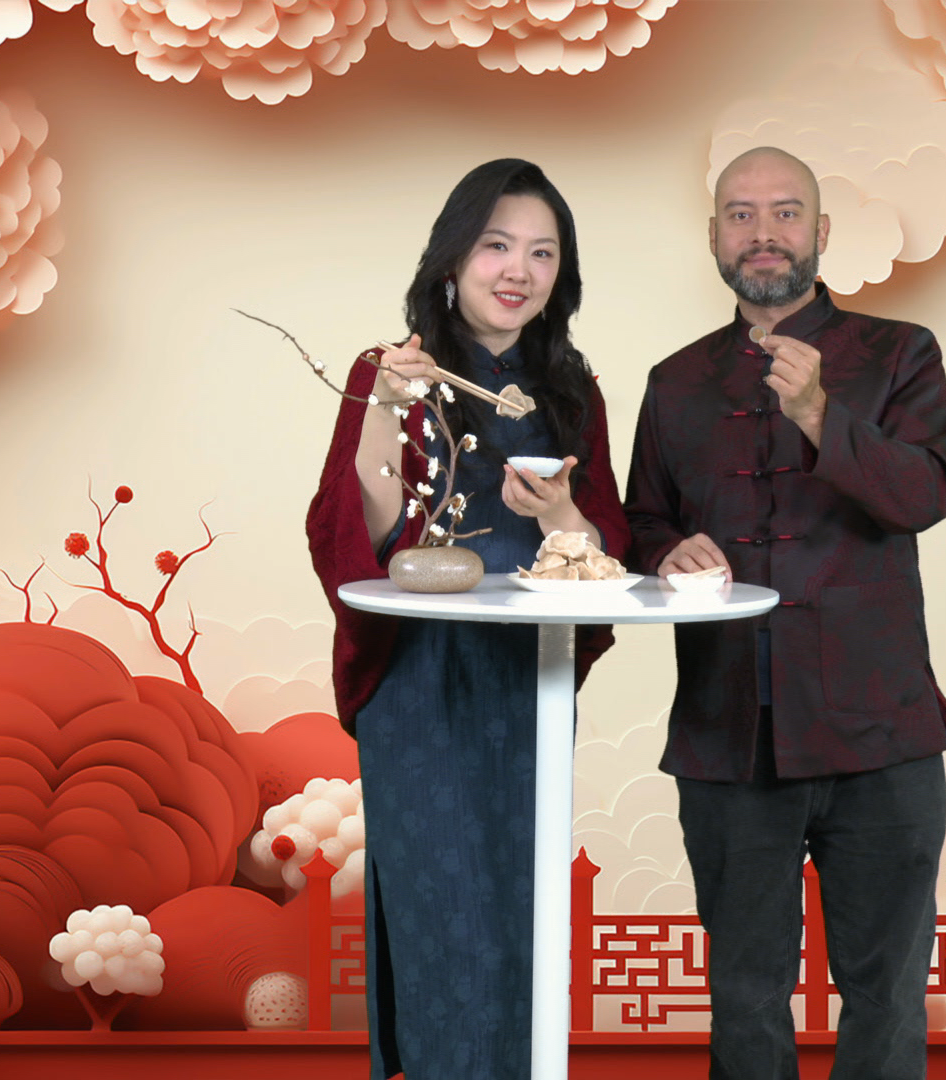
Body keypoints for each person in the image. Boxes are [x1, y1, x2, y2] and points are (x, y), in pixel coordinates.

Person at [622, 146, 946, 1079]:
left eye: (785, 212)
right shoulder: (675, 381)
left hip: (881, 726)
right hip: (729, 728)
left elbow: (925, 494)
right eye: (741, 214)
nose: (763, 232)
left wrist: (820, 413)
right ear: (714, 237)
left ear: (821, 232)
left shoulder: (901, 353)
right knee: (743, 992)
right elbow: (641, 519)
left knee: (887, 992)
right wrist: (663, 550)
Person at [306, 158, 630, 1080]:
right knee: (442, 911)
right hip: (419, 674)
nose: (518, 270)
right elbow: (355, 537)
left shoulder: (570, 388)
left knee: (523, 909)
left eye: (542, 252)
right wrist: (385, 410)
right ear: (452, 258)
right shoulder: (392, 371)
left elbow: (605, 546)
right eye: (496, 246)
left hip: (532, 674)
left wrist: (557, 514)